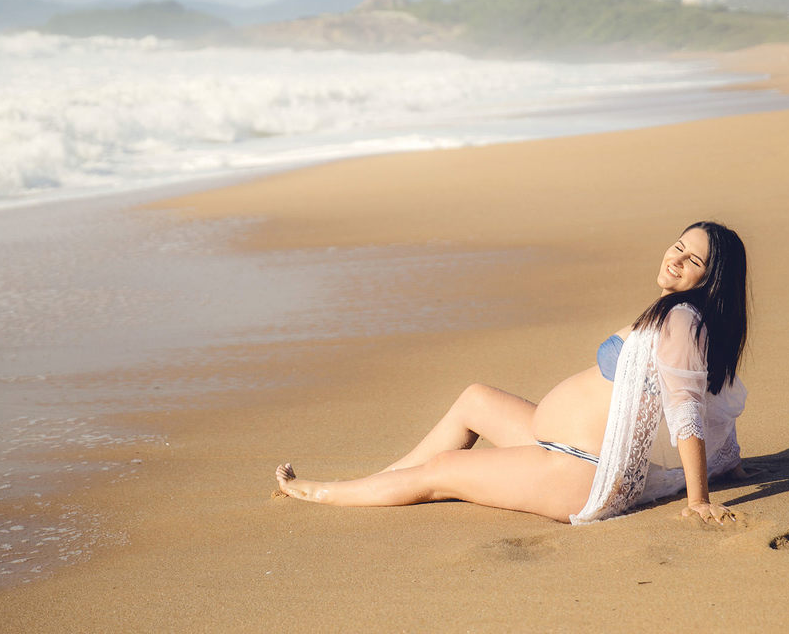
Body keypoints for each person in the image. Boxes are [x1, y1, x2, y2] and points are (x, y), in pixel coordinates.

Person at [274, 221, 749, 525]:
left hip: (580, 472)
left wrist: (699, 498)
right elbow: (712, 403)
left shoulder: (683, 320)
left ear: (711, 279)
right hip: (561, 447)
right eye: (678, 246)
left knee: (445, 471)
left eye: (694, 260)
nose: (676, 258)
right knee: (475, 398)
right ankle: (383, 480)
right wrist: (729, 459)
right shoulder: (680, 316)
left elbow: (686, 409)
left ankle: (322, 493)